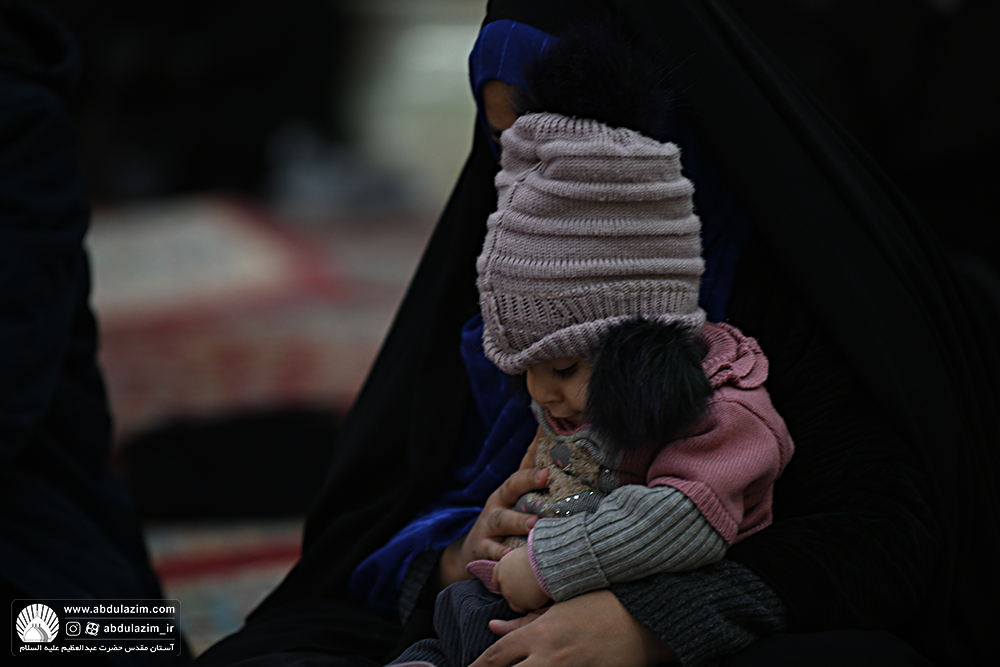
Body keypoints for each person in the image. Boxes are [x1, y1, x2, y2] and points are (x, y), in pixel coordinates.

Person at [198, 2, 1000, 665]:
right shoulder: (504, 262)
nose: (523, 177)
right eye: (503, 143)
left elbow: (884, 537)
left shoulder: (790, 266)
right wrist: (458, 551)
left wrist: (645, 624)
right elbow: (373, 523)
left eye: (551, 139)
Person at [387, 109, 794, 667]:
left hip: (632, 610)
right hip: (520, 593)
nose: (541, 393)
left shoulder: (723, 413)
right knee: (443, 627)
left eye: (561, 370)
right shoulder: (582, 402)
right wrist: (499, 551)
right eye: (526, 370)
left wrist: (544, 565)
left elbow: (684, 520)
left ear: (642, 343)